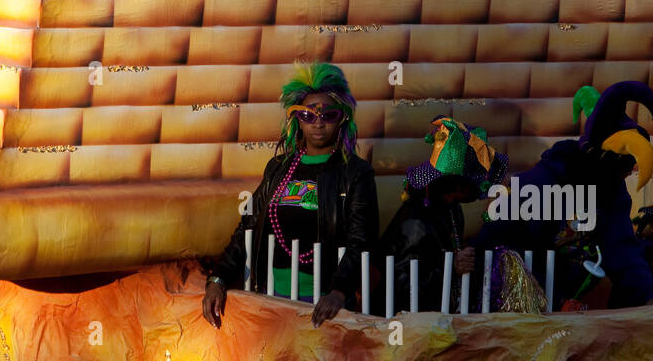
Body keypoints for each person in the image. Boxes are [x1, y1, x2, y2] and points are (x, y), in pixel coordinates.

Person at [203, 63, 379, 328]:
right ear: (296, 119)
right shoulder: (278, 169)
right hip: (270, 297)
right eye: (307, 115)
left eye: (328, 115)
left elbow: (361, 241)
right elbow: (247, 228)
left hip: (323, 303)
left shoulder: (355, 173)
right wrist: (218, 280)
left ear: (342, 119)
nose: (318, 122)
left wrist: (339, 292)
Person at [474, 80, 653, 308]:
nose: (627, 175)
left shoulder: (612, 191)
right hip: (520, 302)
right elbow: (496, 236)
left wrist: (651, 296)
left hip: (570, 302)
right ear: (604, 162)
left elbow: (622, 250)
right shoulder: (543, 181)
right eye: (625, 168)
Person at [378, 115, 512, 314]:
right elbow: (403, 285)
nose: (479, 191)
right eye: (474, 182)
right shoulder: (416, 220)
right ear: (457, 184)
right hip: (408, 325)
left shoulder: (451, 208)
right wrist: (451, 269)